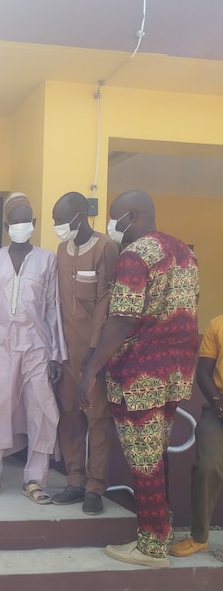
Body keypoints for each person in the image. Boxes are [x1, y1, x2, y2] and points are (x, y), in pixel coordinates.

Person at [78, 190, 199, 568]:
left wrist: (91, 370)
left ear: (131, 215)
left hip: (139, 376)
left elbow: (123, 319)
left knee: (143, 462)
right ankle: (161, 529)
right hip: (176, 373)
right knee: (156, 455)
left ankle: (151, 547)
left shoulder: (134, 255)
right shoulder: (185, 252)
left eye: (114, 217)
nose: (111, 226)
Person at [0, 192, 66, 502]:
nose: (20, 225)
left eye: (26, 220)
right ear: (6, 225)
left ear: (34, 224)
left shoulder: (47, 260)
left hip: (37, 347)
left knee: (42, 409)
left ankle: (35, 479)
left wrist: (56, 354)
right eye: (15, 221)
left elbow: (53, 309)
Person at [51, 192, 119, 515]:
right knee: (70, 417)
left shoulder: (106, 247)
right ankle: (74, 481)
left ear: (80, 216)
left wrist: (95, 355)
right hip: (66, 352)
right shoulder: (62, 250)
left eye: (61, 220)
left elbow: (107, 301)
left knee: (98, 420)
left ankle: (95, 488)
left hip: (95, 355)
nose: (57, 227)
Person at [170, 314, 223, 557]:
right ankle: (199, 536)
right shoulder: (217, 324)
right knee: (208, 466)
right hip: (219, 410)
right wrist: (218, 403)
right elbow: (203, 372)